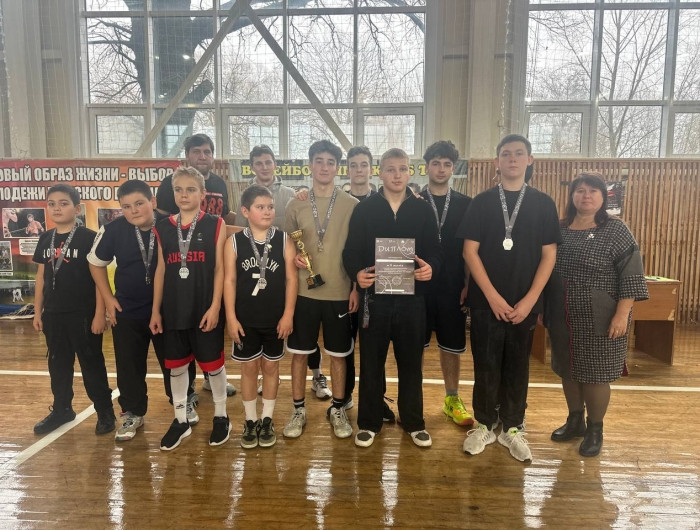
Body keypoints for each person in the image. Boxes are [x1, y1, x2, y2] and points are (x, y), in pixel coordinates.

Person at [459, 134, 560, 462]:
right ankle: (485, 424)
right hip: (486, 301)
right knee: (486, 364)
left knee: (518, 365)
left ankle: (513, 427)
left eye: (519, 153)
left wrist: (531, 300)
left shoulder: (543, 204)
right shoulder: (482, 202)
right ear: (497, 162)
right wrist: (491, 297)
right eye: (506, 154)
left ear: (530, 160)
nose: (512, 159)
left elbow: (549, 255)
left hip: (524, 302)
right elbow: (470, 252)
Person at [343, 147, 442, 448]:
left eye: (402, 169)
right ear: (380, 172)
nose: (397, 175)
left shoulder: (423, 210)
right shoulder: (365, 210)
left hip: (412, 301)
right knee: (371, 363)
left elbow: (435, 251)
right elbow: (351, 251)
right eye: (390, 169)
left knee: (411, 363)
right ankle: (369, 422)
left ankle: (414, 422)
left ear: (410, 172)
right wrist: (357, 274)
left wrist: (431, 268)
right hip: (375, 300)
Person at [544, 172, 648, 457]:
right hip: (562, 313)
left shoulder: (616, 229)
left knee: (595, 375)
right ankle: (574, 421)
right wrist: (543, 308)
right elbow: (545, 269)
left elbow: (631, 274)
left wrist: (622, 314)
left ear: (603, 197)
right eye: (580, 190)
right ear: (572, 196)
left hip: (602, 316)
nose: (586, 196)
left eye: (592, 191)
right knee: (568, 369)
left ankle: (595, 429)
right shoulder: (559, 228)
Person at [88, 180, 198, 442]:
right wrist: (108, 299)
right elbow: (95, 263)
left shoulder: (172, 225)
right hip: (127, 310)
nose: (133, 210)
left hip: (168, 310)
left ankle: (183, 401)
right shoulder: (113, 229)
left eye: (139, 203)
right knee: (128, 365)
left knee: (176, 359)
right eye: (126, 206)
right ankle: (132, 412)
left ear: (153, 202)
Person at [233, 145, 327, 398]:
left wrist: (305, 194)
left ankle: (317, 374)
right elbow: (239, 233)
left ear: (275, 164)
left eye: (268, 162)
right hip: (260, 273)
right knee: (261, 331)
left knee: (302, 327)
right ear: (252, 167)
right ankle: (262, 377)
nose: (264, 167)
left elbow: (303, 226)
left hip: (289, 269)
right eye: (259, 163)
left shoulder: (291, 194)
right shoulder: (246, 196)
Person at [150, 166, 230, 450]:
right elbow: (161, 270)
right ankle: (180, 419)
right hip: (174, 310)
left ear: (203, 193)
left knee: (214, 365)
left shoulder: (215, 223)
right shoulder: (162, 227)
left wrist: (216, 306)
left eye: (191, 189)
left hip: (204, 307)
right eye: (178, 190)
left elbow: (220, 268)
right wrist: (156, 310)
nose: (184, 195)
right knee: (177, 366)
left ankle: (221, 416)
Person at [282, 140, 358, 440]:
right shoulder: (295, 204)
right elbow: (288, 244)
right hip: (304, 293)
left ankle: (337, 409)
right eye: (319, 161)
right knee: (300, 354)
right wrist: (294, 258)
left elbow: (357, 251)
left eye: (330, 162)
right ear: (310, 165)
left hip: (339, 292)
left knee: (338, 355)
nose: (324, 167)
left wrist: (355, 288)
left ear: (337, 168)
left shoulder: (352, 205)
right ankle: (298, 410)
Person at [156, 133, 237, 397]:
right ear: (187, 155)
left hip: (204, 270)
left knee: (208, 344)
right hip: (179, 270)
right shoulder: (168, 186)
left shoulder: (219, 185)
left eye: (207, 152)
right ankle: (186, 396)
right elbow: (165, 220)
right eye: (196, 151)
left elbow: (225, 217)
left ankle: (213, 387)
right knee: (181, 349)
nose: (202, 156)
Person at [31, 184, 116, 435]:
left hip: (83, 314)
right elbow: (41, 277)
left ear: (77, 209)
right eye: (52, 204)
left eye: (63, 203)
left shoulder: (89, 237)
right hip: (53, 314)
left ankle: (105, 412)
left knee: (92, 364)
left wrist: (100, 314)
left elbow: (99, 279)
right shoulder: (45, 238)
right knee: (58, 365)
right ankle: (62, 410)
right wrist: (37, 311)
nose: (57, 208)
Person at [224, 185, 297, 448]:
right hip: (245, 321)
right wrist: (231, 318)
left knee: (271, 368)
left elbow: (291, 279)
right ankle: (250, 420)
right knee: (248, 369)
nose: (267, 211)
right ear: (245, 211)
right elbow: (229, 281)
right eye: (260, 207)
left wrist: (288, 315)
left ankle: (267, 419)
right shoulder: (234, 242)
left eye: (270, 207)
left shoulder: (284, 240)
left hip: (275, 320)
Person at [420, 140, 473, 427]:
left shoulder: (466, 204)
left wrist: (468, 283)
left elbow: (471, 249)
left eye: (447, 164)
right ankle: (412, 399)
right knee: (414, 345)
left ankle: (452, 399)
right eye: (436, 163)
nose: (441, 169)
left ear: (453, 168)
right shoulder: (413, 201)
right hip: (418, 286)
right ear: (427, 166)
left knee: (451, 346)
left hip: (453, 286)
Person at [342, 145, 394, 422]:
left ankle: (377, 399)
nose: (359, 170)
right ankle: (345, 395)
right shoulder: (339, 201)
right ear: (347, 169)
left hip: (377, 288)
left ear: (372, 169)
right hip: (345, 284)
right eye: (354, 165)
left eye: (364, 164)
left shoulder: (386, 201)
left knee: (376, 350)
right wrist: (354, 282)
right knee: (346, 346)